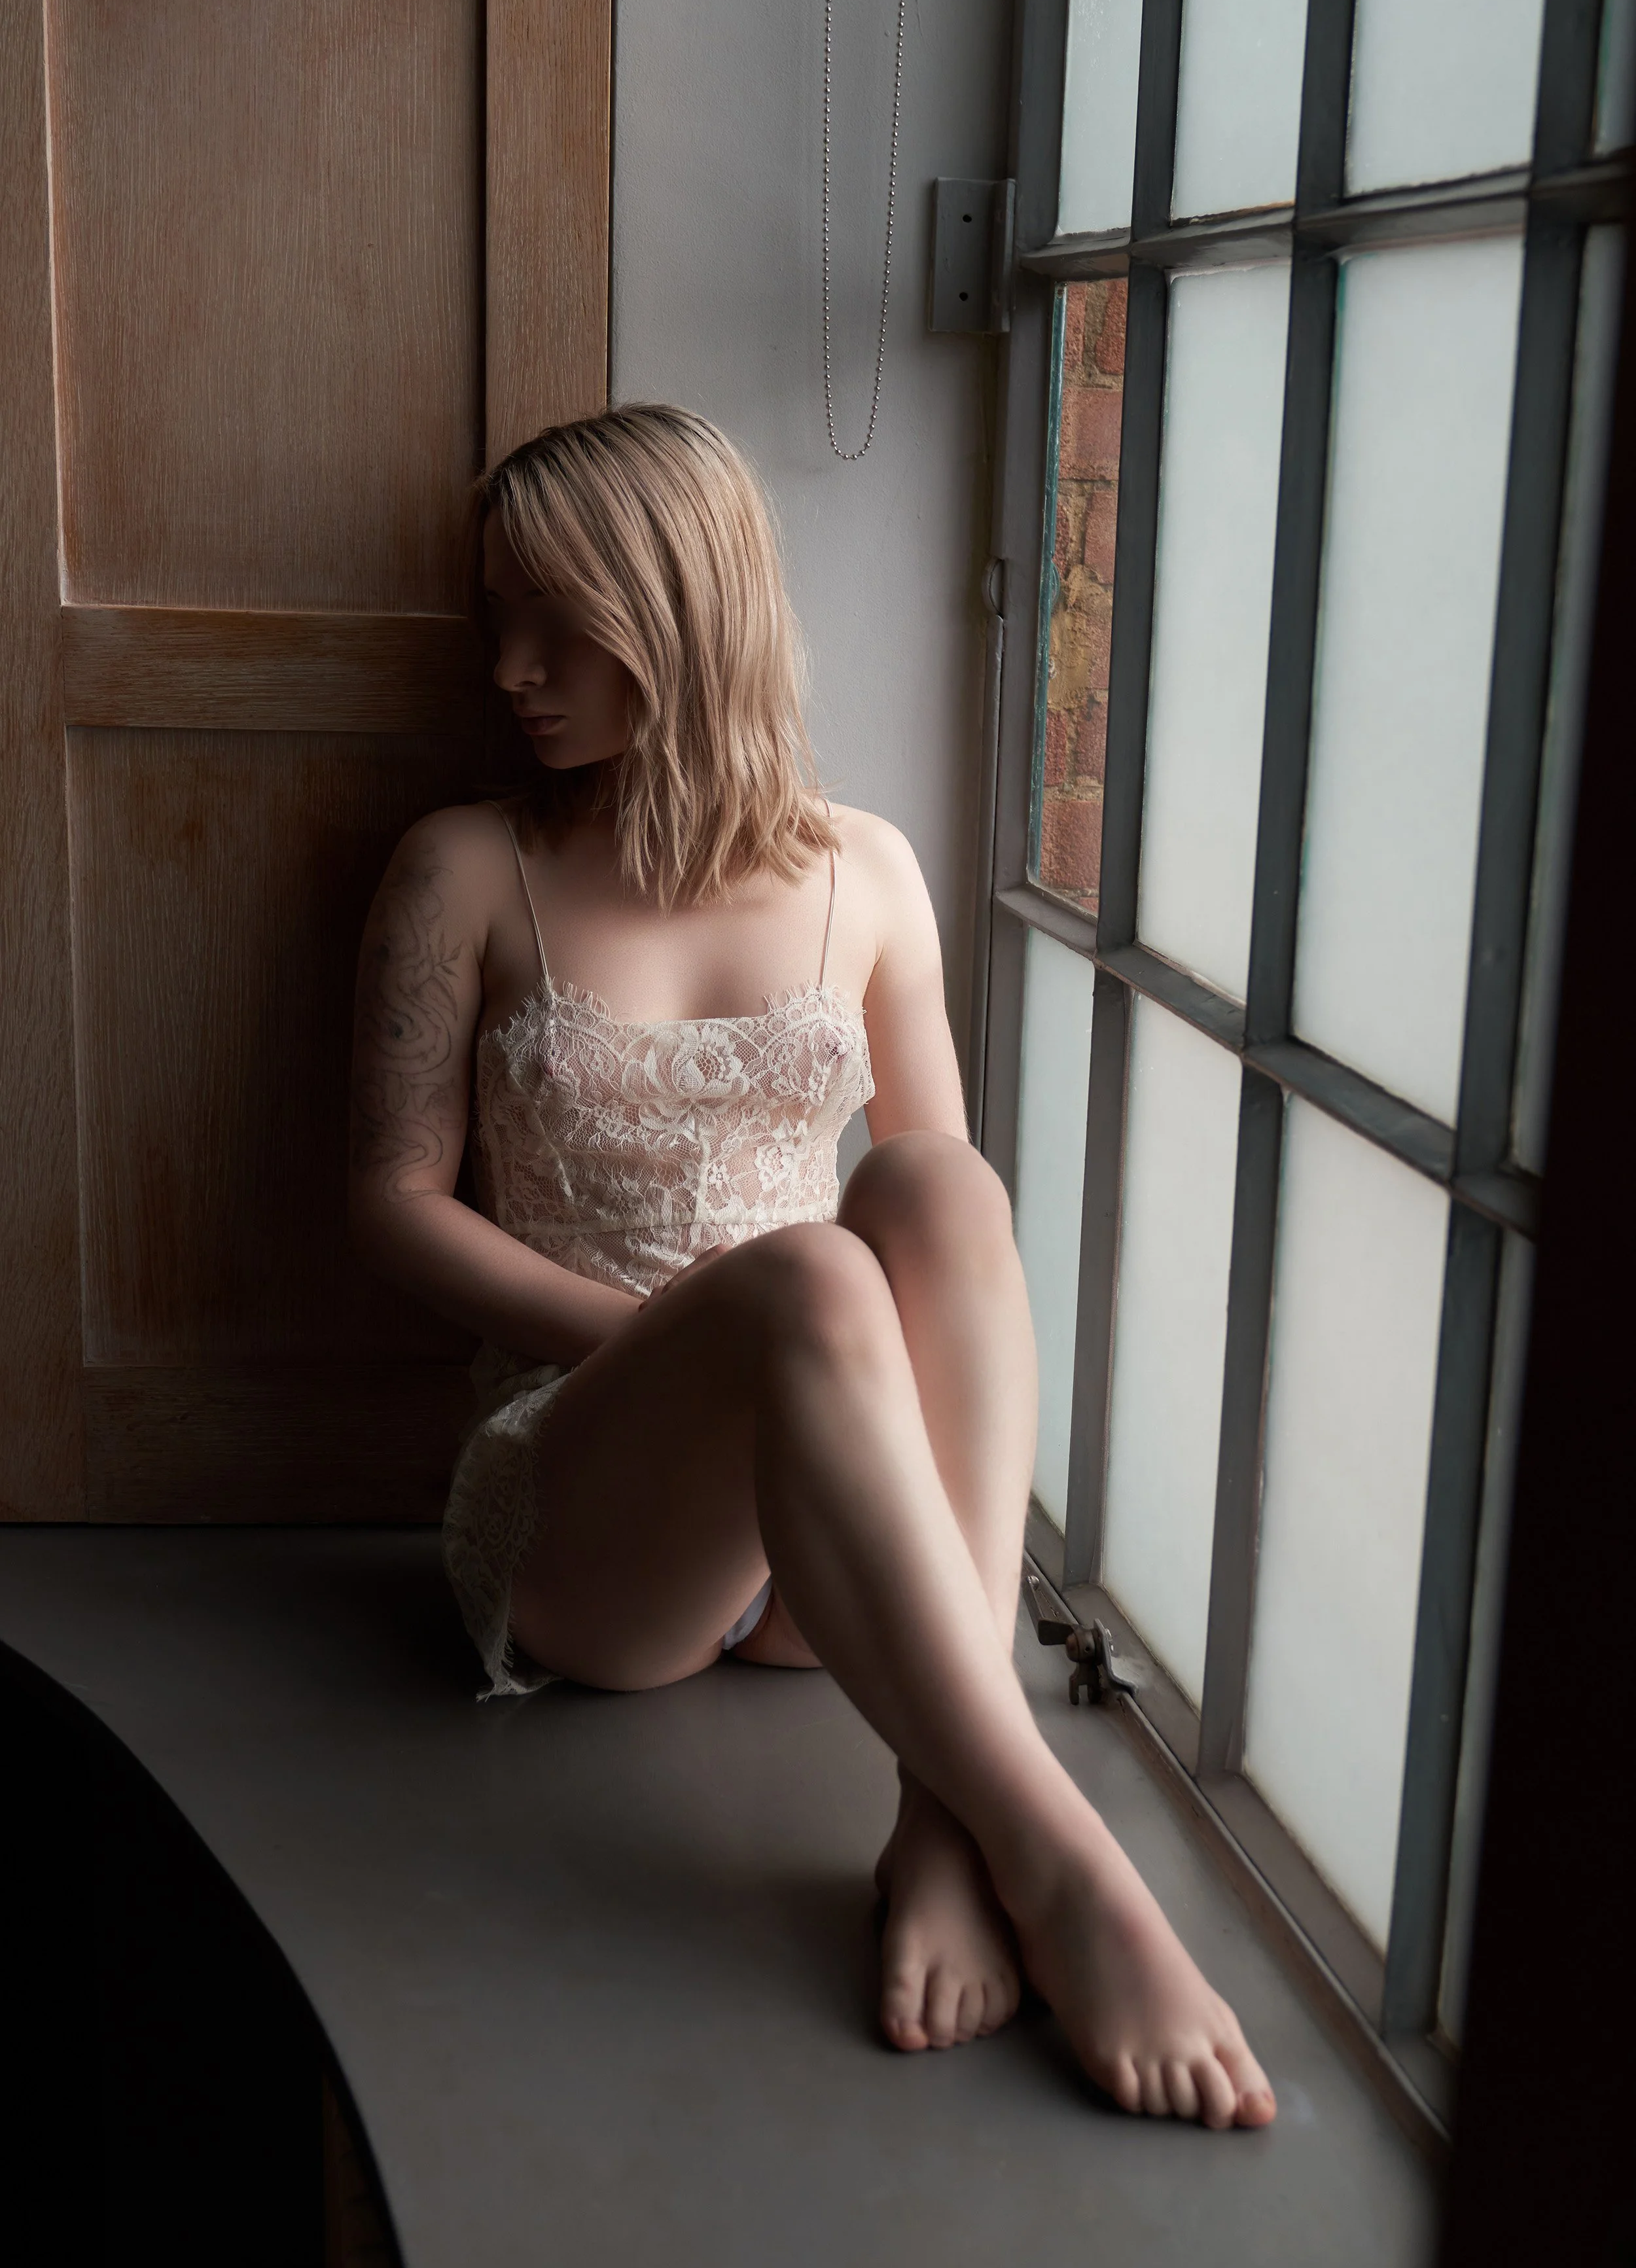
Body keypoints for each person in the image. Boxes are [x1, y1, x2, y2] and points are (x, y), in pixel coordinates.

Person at [347, 404, 1275, 2130]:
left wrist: (787, 1341)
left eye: (558, 619)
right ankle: (1067, 1866)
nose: (511, 668)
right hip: (583, 1503)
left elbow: (944, 1238)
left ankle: (941, 1815)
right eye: (499, 617)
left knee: (929, 1186)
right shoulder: (467, 867)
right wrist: (682, 1335)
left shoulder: (871, 871)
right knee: (811, 1286)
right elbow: (390, 1205)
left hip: (823, 1531)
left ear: (682, 610)